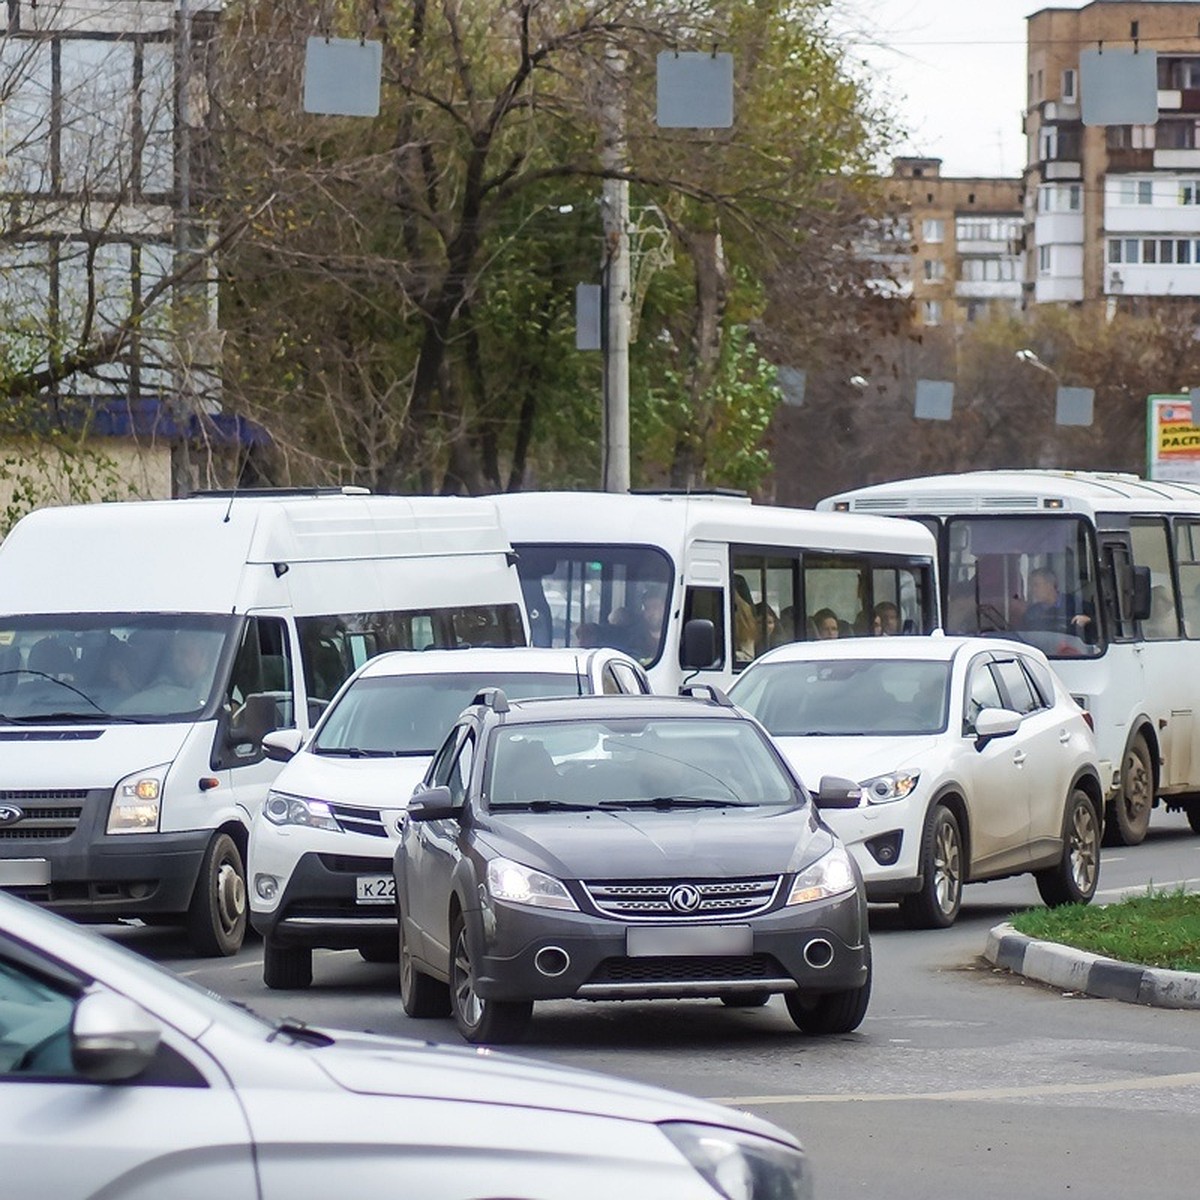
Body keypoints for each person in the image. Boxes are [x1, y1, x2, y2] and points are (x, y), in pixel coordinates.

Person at [1022, 567, 1091, 635]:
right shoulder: (1031, 613)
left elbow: (1097, 623)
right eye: (1030, 586)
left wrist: (1088, 621)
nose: (1032, 590)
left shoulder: (1076, 605)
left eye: (1036, 585)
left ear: (1050, 584)